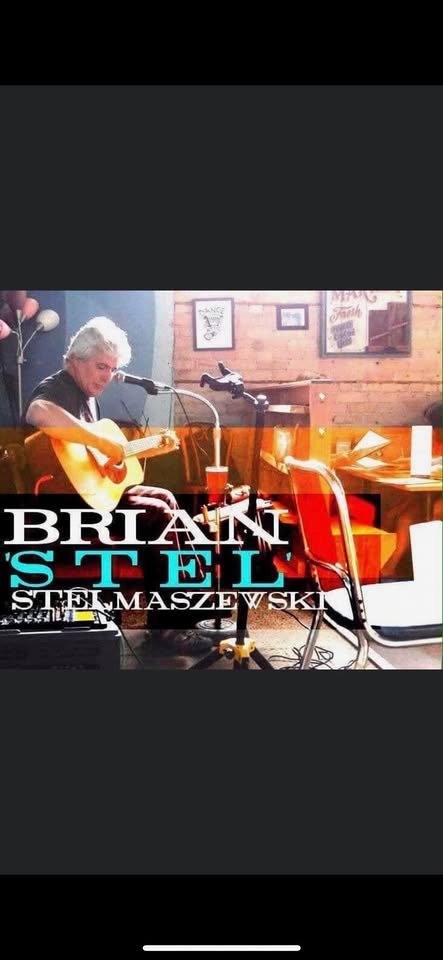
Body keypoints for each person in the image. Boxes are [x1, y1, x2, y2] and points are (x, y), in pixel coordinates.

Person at [23, 316, 213, 654]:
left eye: (112, 369)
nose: (107, 377)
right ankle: (169, 629)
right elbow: (38, 413)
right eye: (100, 366)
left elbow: (84, 459)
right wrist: (105, 445)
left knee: (166, 499)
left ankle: (187, 613)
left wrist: (112, 458)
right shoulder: (59, 386)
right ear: (75, 360)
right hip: (63, 514)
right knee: (159, 515)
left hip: (89, 500)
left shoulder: (87, 396)